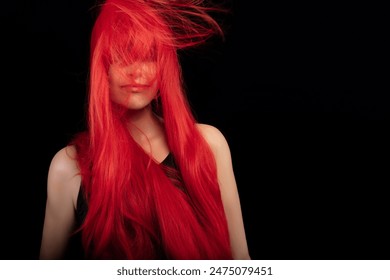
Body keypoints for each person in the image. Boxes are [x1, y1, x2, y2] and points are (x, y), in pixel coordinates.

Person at [39, 0, 250, 260]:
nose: (136, 72)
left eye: (148, 57)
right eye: (121, 57)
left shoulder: (209, 144)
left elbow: (242, 262)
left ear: (164, 67)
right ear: (102, 67)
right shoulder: (68, 167)